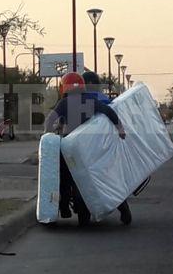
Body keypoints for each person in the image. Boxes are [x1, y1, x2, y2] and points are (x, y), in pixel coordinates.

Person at [44, 72, 130, 226]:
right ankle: (123, 207)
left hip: (70, 150)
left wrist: (48, 135)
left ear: (64, 87)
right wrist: (120, 129)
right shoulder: (91, 100)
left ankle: (64, 208)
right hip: (91, 150)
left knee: (64, 175)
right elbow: (109, 112)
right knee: (105, 176)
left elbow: (50, 120)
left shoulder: (64, 104)